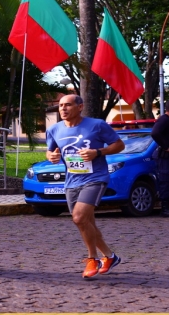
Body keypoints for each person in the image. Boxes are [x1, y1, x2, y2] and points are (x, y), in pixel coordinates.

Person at [45, 94, 126, 279]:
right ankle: (110, 257)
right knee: (86, 223)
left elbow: (119, 145)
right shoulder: (54, 129)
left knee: (79, 217)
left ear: (80, 107)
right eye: (61, 106)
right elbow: (50, 151)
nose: (63, 109)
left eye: (68, 105)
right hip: (72, 181)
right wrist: (51, 156)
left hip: (95, 178)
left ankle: (93, 259)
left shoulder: (96, 125)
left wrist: (97, 152)